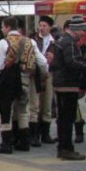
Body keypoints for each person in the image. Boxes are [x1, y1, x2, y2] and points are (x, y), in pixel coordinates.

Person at [49, 16, 86, 160]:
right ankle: (66, 149)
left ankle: (63, 148)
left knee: (64, 118)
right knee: (67, 118)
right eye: (83, 30)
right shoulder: (69, 43)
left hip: (62, 84)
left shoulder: (63, 41)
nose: (84, 33)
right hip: (67, 85)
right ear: (76, 30)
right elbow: (72, 62)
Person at [0, 17, 38, 154]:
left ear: (7, 27)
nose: (1, 29)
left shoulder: (4, 42)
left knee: (7, 110)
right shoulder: (30, 41)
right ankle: (24, 141)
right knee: (23, 111)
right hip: (24, 79)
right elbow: (40, 61)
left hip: (8, 80)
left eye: (2, 27)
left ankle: (6, 143)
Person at [32, 15, 57, 145]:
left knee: (47, 103)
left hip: (49, 73)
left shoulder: (54, 41)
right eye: (40, 25)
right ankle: (35, 134)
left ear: (50, 28)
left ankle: (45, 133)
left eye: (44, 26)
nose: (41, 28)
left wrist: (53, 58)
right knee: (36, 104)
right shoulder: (33, 39)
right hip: (36, 74)